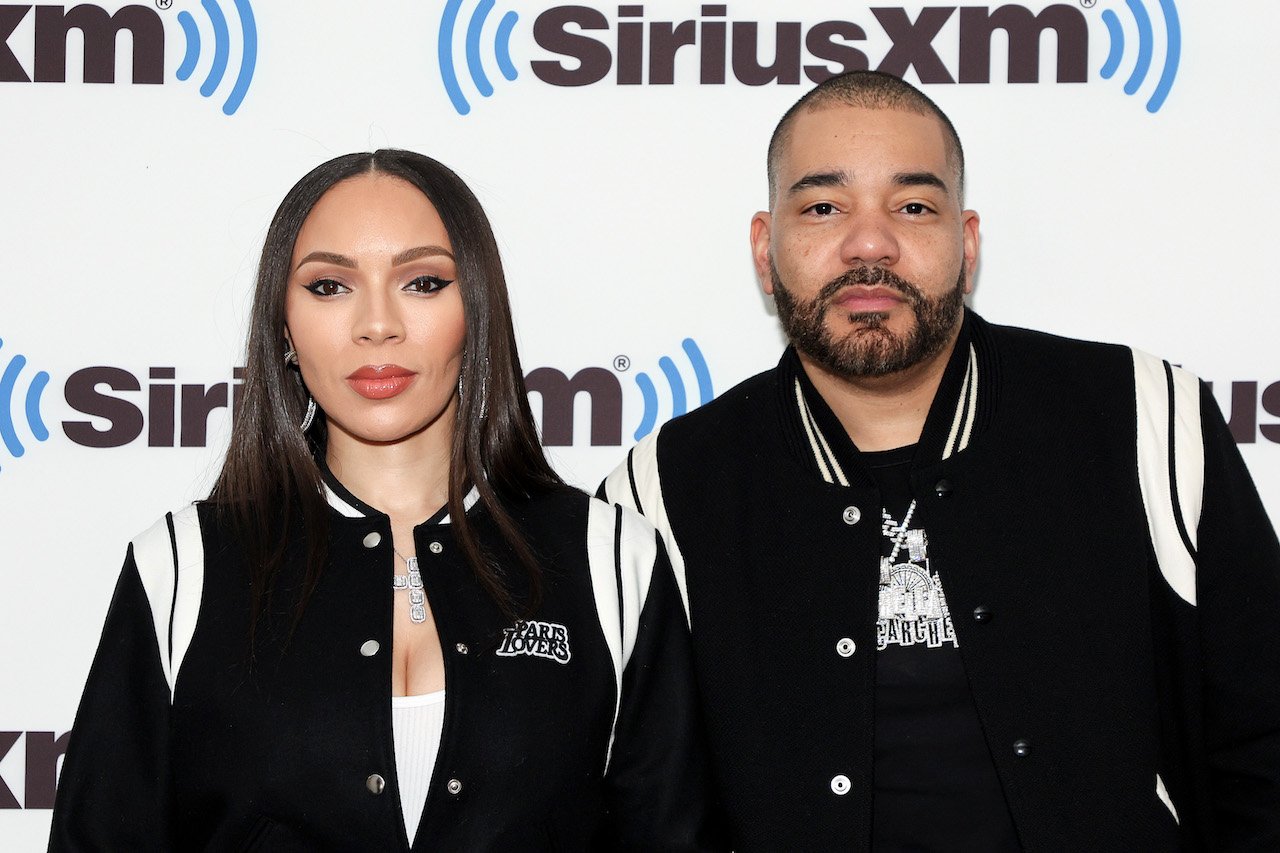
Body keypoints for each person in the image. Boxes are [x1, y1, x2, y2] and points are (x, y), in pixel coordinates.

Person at [600, 70, 1280, 851]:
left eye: (914, 206)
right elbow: (645, 805)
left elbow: (1261, 739)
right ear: (765, 247)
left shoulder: (1145, 415)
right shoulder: (662, 492)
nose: (869, 243)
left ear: (967, 240)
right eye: (823, 206)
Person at [50, 150, 723, 852]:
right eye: (330, 286)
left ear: (478, 311)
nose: (377, 324)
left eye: (424, 281)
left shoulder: (612, 558)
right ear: (282, 325)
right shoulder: (181, 566)